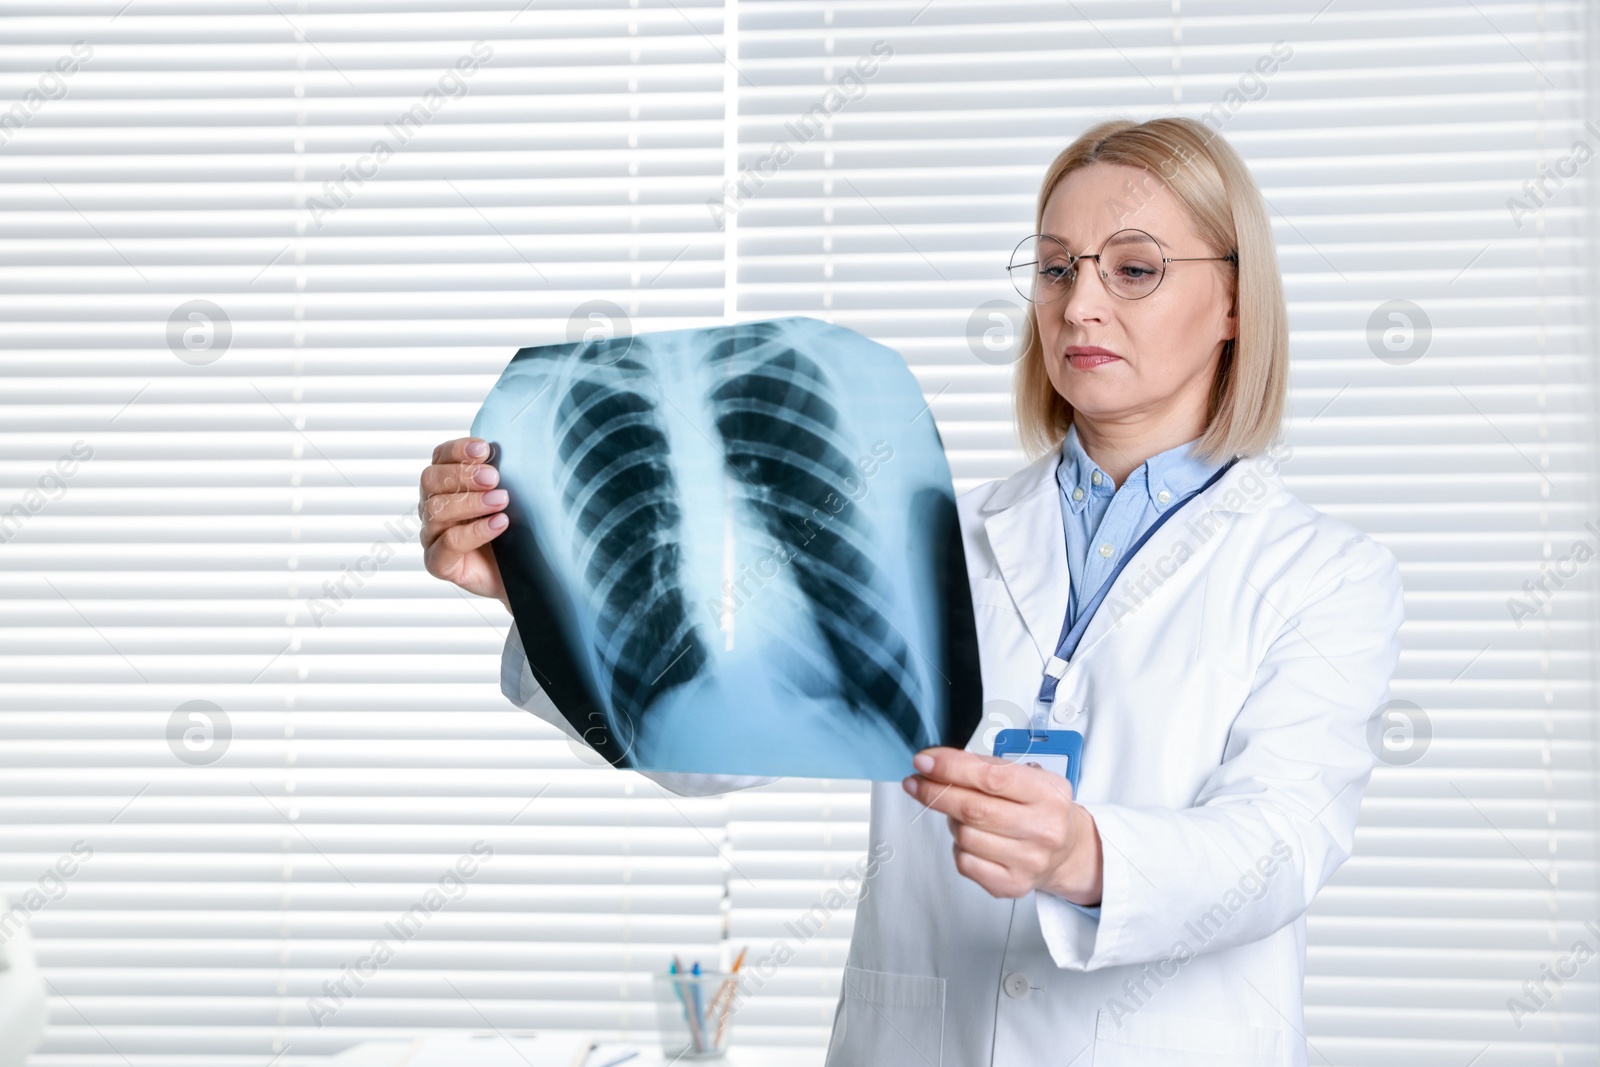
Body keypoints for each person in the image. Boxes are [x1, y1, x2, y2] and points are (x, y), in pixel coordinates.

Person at [417, 116, 1404, 1067]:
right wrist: (535, 589)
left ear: (1236, 300)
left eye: (1133, 268)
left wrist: (1082, 854)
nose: (1079, 303)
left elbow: (1281, 840)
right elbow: (713, 750)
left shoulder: (1319, 571)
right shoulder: (929, 527)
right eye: (1056, 266)